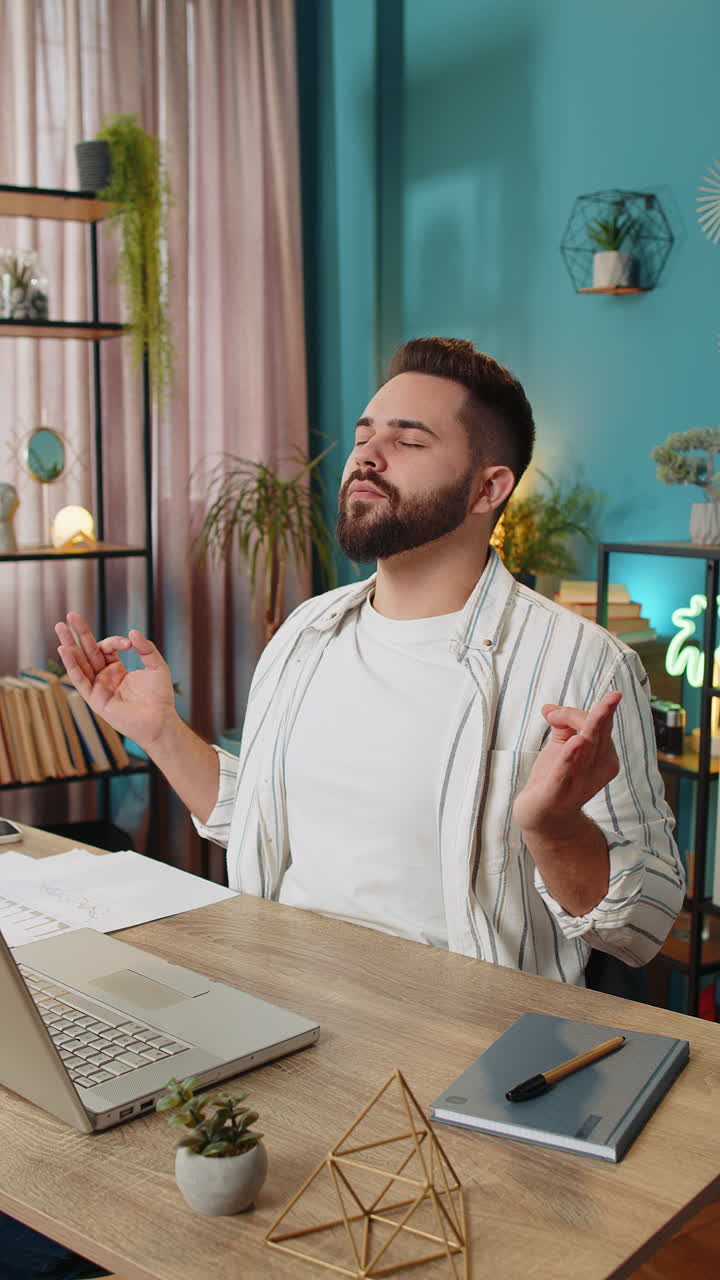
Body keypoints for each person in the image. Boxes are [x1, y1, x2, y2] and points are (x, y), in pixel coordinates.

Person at [54, 336, 684, 984]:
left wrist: (553, 830)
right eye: (364, 437)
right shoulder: (306, 633)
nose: (366, 458)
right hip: (277, 1010)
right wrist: (160, 730)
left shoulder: (582, 664)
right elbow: (263, 822)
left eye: (408, 442)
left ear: (487, 488)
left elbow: (646, 924)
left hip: (473, 1048)